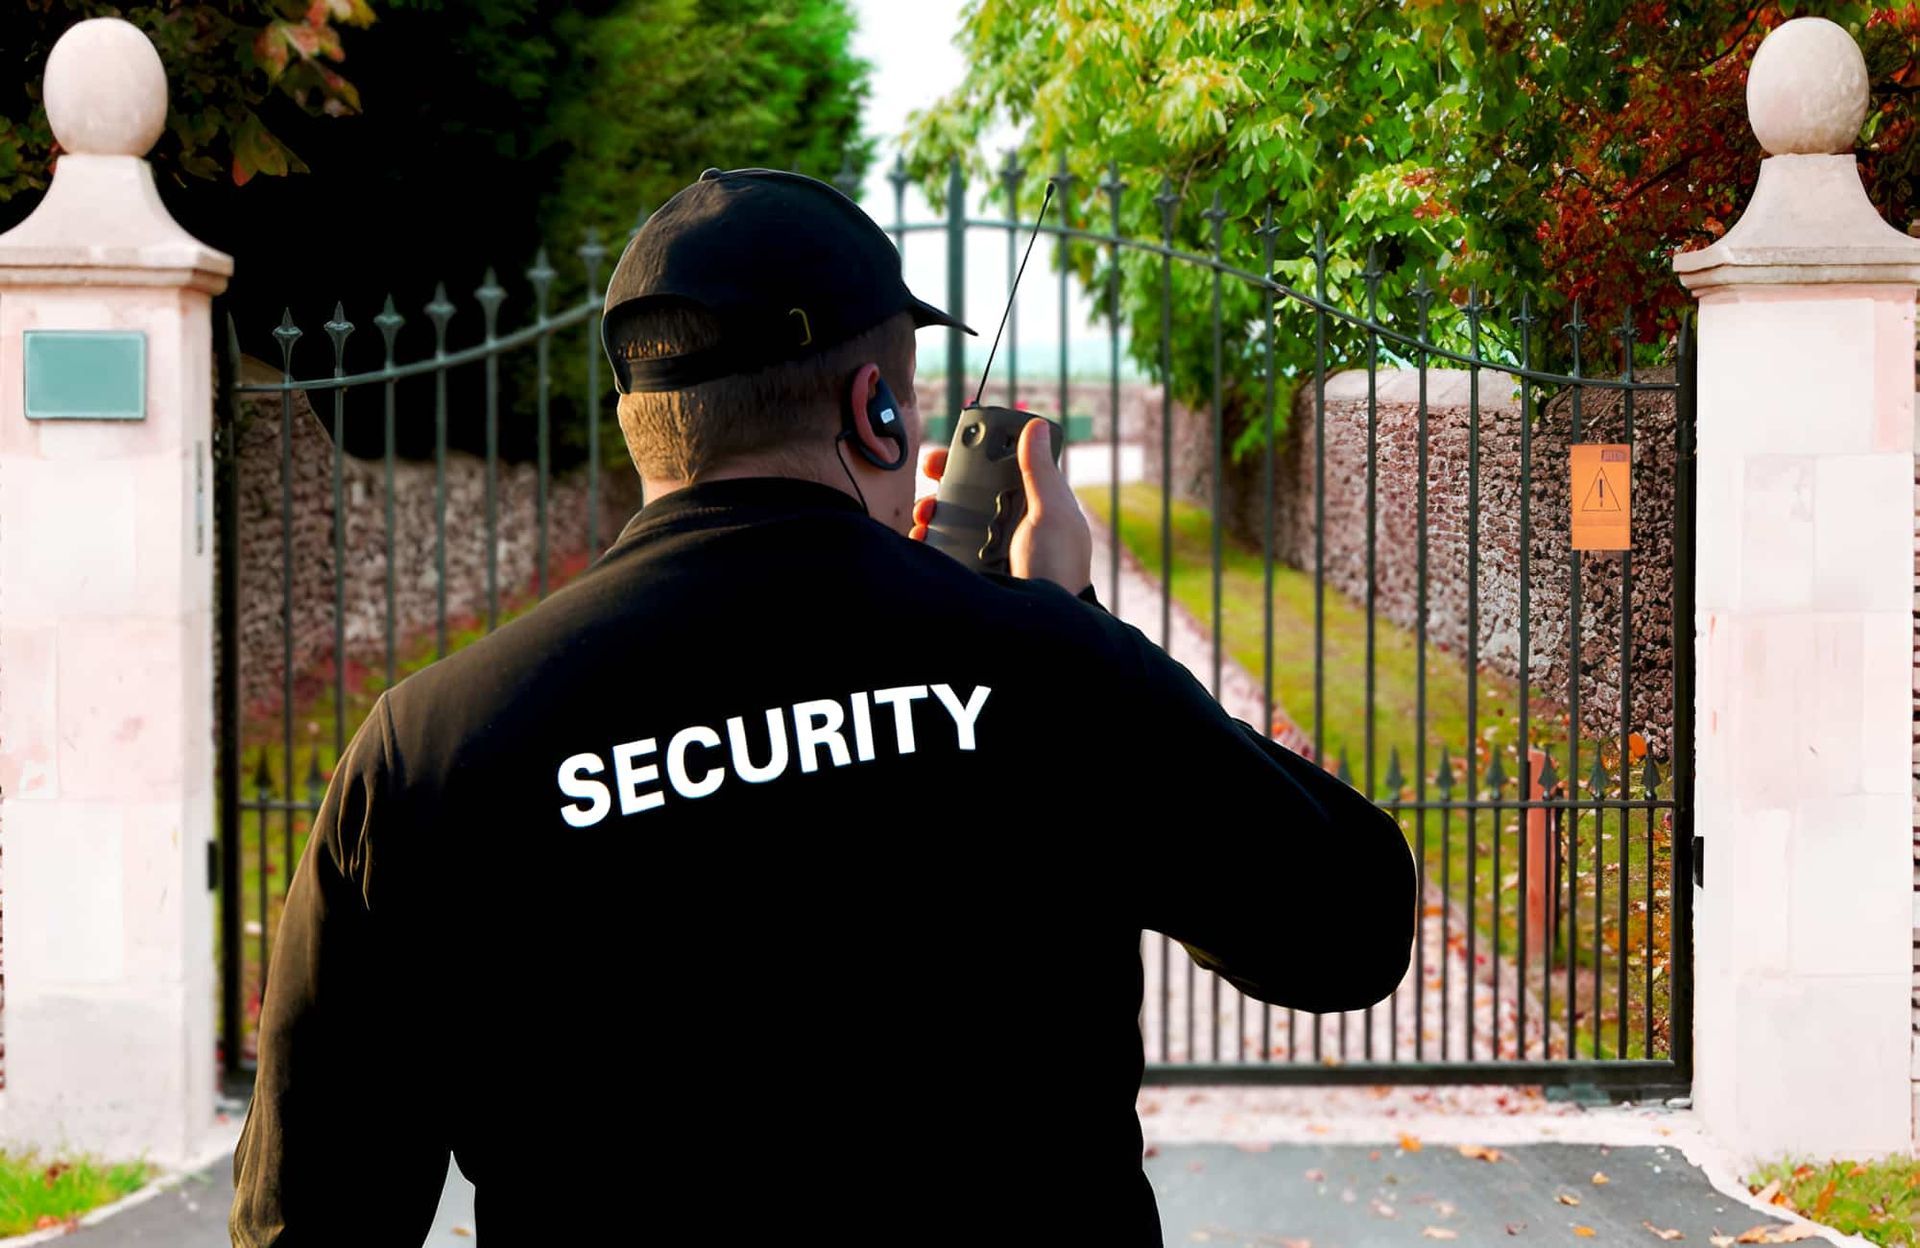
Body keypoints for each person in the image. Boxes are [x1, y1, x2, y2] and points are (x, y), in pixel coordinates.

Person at [229, 167, 1417, 1247]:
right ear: (876, 412)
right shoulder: (1051, 667)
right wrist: (1071, 622)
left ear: (645, 425)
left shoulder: (432, 750)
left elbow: (306, 1230)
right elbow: (1352, 921)